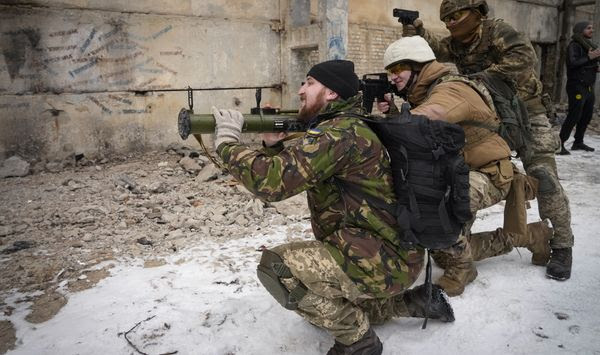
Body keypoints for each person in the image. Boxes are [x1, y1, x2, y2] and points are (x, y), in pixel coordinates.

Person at [211, 59, 455, 355]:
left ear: (332, 94)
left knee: (277, 268)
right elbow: (289, 175)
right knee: (321, 305)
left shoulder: (339, 134)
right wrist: (274, 147)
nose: (301, 90)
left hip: (382, 258)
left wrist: (226, 142)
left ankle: (358, 342)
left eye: (310, 83)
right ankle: (415, 301)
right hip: (391, 253)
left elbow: (271, 183)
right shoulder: (350, 125)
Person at [403, 0, 575, 281]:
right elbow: (438, 49)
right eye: (446, 19)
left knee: (543, 176)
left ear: (476, 13)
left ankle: (562, 244)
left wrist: (479, 79)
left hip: (527, 113)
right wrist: (418, 31)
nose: (451, 23)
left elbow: (524, 58)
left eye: (456, 16)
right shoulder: (457, 44)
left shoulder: (499, 32)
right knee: (463, 175)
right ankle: (462, 242)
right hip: (489, 117)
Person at [377, 36, 552, 296]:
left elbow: (432, 116)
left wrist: (380, 124)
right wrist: (393, 114)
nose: (392, 78)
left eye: (396, 69)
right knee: (445, 246)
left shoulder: (451, 89)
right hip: (462, 172)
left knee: (438, 210)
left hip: (489, 172)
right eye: (389, 72)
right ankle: (531, 235)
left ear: (417, 66)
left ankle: (463, 269)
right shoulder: (424, 92)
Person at [558, 21, 600, 154]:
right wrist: (589, 57)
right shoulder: (574, 46)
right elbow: (572, 63)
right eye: (588, 28)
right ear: (580, 30)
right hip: (577, 86)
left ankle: (578, 142)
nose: (592, 30)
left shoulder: (589, 45)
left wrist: (595, 66)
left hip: (588, 86)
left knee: (586, 115)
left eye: (592, 28)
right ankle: (560, 143)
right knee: (574, 115)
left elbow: (586, 64)